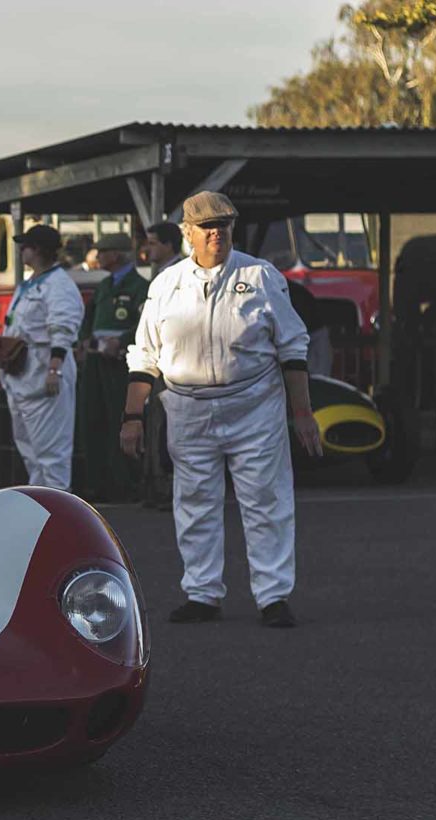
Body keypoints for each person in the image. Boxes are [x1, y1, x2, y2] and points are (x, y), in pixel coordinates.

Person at [122, 191, 320, 629]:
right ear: (187, 233)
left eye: (224, 225)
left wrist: (302, 412)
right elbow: (144, 355)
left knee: (266, 501)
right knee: (194, 501)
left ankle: (272, 596)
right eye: (207, 227)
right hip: (188, 409)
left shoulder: (262, 276)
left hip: (253, 406)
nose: (217, 233)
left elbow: (292, 346)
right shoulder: (165, 285)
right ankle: (202, 593)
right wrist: (132, 416)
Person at [0, 225, 84, 489]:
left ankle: (59, 510)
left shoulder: (59, 285)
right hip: (21, 374)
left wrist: (54, 368)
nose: (21, 250)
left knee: (52, 454)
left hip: (44, 372)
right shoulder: (28, 284)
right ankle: (41, 507)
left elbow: (63, 328)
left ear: (36, 250)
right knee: (31, 453)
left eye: (25, 246)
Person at [76, 233, 149, 503]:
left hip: (121, 364)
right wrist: (84, 340)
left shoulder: (140, 286)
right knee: (93, 418)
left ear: (115, 255)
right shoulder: (105, 285)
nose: (97, 257)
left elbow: (145, 322)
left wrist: (121, 340)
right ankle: (98, 482)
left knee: (118, 419)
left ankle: (124, 484)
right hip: (96, 360)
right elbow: (88, 318)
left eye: (102, 251)